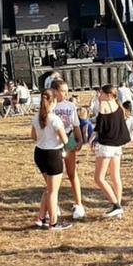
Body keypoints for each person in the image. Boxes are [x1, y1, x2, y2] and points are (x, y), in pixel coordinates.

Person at [31, 89, 71, 231]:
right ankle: (53, 222)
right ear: (53, 101)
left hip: (40, 153)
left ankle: (41, 217)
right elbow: (65, 139)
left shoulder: (36, 117)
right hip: (53, 154)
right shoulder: (55, 119)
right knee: (53, 191)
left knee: (49, 188)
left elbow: (33, 136)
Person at [50, 80, 86, 220]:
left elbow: (75, 124)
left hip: (69, 138)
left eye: (66, 90)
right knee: (54, 175)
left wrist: (80, 139)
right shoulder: (49, 106)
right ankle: (54, 204)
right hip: (54, 140)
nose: (66, 93)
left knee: (72, 173)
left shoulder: (70, 106)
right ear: (55, 91)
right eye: (62, 90)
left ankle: (78, 204)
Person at [93, 85, 128, 219]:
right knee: (115, 176)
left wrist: (100, 103)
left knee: (99, 178)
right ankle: (118, 206)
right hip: (117, 146)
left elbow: (100, 125)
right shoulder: (119, 107)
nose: (99, 94)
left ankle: (115, 205)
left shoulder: (104, 105)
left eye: (101, 92)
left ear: (108, 95)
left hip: (106, 145)